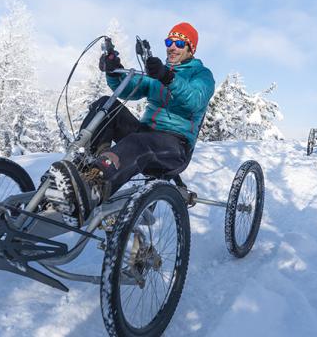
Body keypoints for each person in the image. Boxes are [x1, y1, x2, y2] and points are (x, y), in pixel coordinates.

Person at [65, 22, 215, 207]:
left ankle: (96, 185)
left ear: (191, 49)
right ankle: (84, 165)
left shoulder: (202, 75)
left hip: (175, 145)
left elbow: (195, 100)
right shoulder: (159, 70)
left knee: (138, 142)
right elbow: (130, 90)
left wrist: (168, 77)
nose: (172, 47)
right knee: (106, 105)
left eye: (180, 43)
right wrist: (113, 71)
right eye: (169, 42)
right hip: (145, 133)